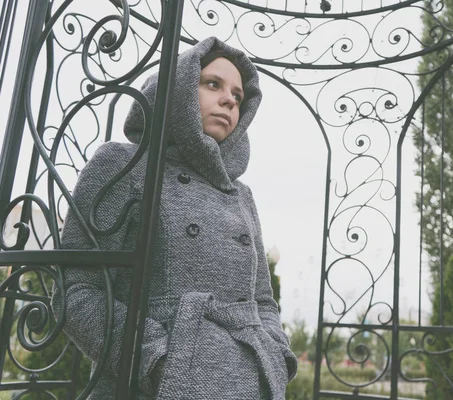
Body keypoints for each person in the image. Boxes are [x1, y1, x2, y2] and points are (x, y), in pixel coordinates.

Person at [51, 36, 297, 399]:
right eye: (213, 84)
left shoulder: (241, 193)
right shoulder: (124, 165)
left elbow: (262, 300)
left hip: (247, 384)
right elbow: (77, 293)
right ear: (178, 87)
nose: (230, 99)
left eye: (238, 96)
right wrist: (161, 360)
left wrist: (275, 356)